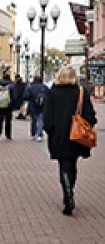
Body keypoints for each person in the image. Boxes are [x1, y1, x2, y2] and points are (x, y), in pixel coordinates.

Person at [43, 66, 97, 215]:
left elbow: (47, 118)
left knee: (64, 165)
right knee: (72, 164)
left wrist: (50, 130)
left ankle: (68, 195)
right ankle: (70, 191)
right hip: (77, 136)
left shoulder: (52, 93)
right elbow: (90, 116)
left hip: (59, 136)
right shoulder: (81, 92)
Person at [22, 75, 49, 142]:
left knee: (33, 121)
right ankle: (39, 135)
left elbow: (26, 96)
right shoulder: (45, 87)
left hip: (33, 106)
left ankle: (33, 134)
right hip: (43, 107)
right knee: (41, 121)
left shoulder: (30, 87)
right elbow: (49, 96)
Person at [0, 73, 15, 142]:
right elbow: (14, 96)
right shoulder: (11, 86)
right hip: (8, 105)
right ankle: (8, 135)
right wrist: (13, 105)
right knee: (8, 120)